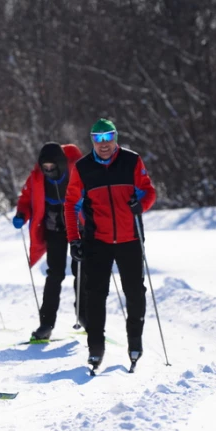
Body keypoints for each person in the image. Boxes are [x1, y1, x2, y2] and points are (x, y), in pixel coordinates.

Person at [65, 119, 156, 370]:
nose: (103, 144)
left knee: (135, 292)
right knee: (95, 295)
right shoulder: (83, 167)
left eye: (108, 138)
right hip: (98, 239)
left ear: (115, 137)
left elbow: (149, 191)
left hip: (130, 238)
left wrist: (142, 205)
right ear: (92, 140)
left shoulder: (132, 160)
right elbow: (71, 205)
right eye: (98, 138)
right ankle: (96, 347)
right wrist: (74, 239)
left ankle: (135, 342)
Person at [13, 143, 85, 340]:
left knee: (82, 271)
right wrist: (21, 213)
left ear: (61, 164)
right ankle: (46, 324)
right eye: (45, 168)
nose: (48, 171)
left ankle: (84, 315)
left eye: (52, 167)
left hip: (78, 229)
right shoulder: (36, 177)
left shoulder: (78, 171)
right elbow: (26, 198)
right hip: (54, 229)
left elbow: (92, 194)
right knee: (55, 275)